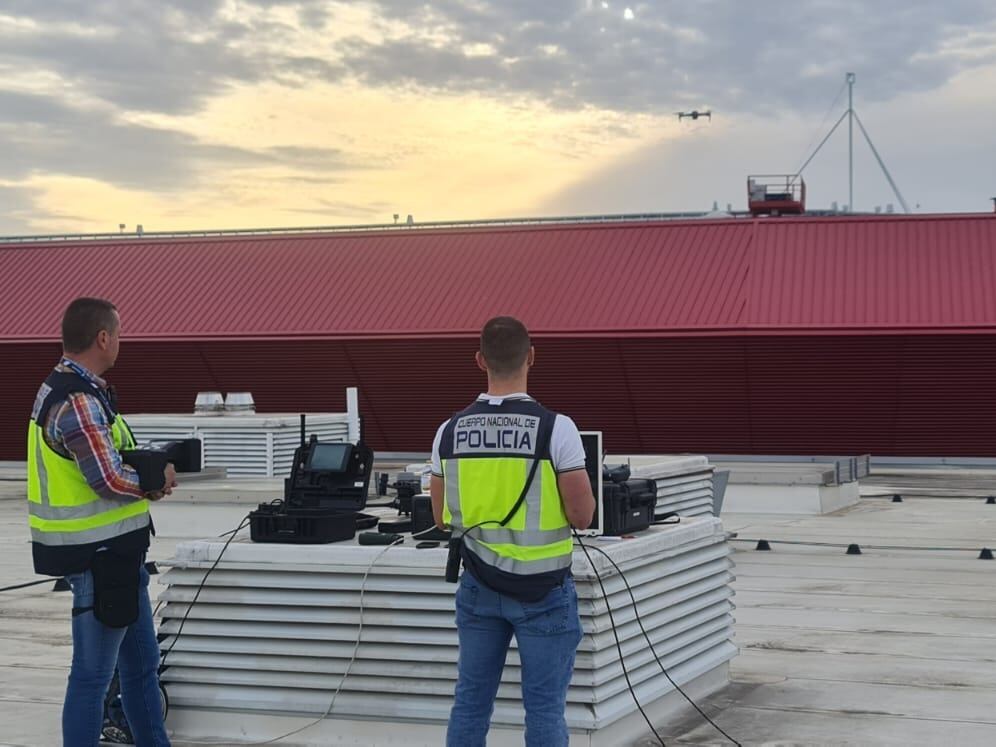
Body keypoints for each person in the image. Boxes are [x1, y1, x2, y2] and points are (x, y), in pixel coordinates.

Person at [430, 316, 596, 747]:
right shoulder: (557, 429)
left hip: (479, 587)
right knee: (543, 710)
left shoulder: (448, 431)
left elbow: (441, 517)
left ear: (480, 360)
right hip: (544, 593)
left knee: (470, 702)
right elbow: (582, 516)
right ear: (532, 357)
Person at [26, 297, 174, 746]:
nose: (120, 343)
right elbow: (106, 478)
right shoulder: (77, 399)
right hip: (99, 560)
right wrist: (153, 484)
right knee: (93, 677)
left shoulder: (79, 390)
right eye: (119, 334)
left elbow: (106, 458)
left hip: (119, 557)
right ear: (103, 338)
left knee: (141, 668)